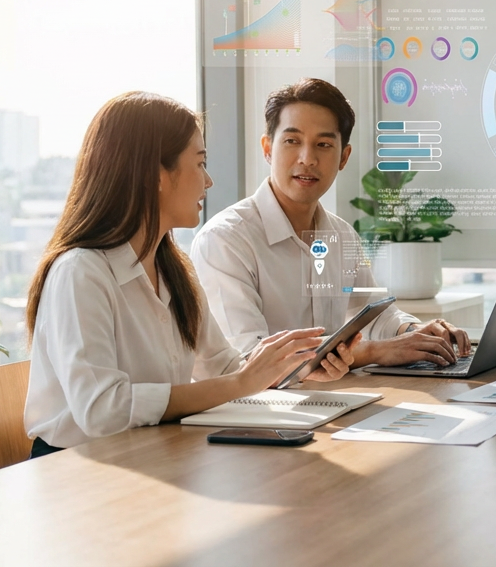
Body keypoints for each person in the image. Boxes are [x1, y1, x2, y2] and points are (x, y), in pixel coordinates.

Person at [25, 92, 354, 457]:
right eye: (199, 164)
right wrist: (241, 382)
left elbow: (223, 368)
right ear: (156, 174)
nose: (208, 181)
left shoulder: (173, 268)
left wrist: (295, 368)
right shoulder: (80, 273)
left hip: (151, 453)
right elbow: (102, 410)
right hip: (76, 471)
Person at [191, 78, 470, 370]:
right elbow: (249, 359)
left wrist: (415, 333)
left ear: (344, 157)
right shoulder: (225, 240)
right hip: (257, 411)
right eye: (292, 141)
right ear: (267, 148)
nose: (308, 159)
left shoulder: (342, 235)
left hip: (331, 403)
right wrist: (375, 352)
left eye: (323, 144)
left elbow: (375, 314)